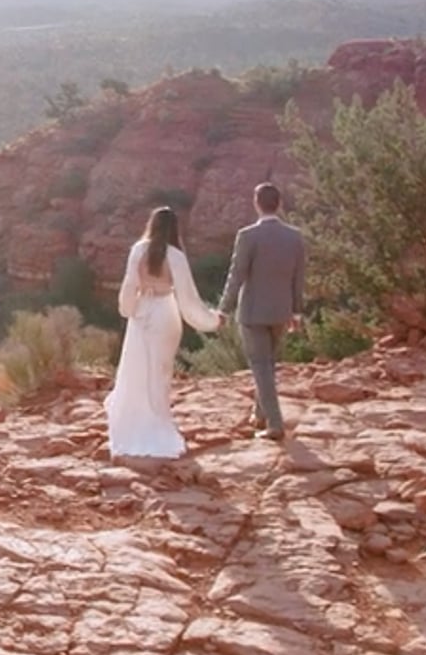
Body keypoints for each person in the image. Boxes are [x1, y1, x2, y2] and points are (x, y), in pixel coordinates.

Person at [107, 206, 222, 458]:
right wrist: (212, 320)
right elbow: (189, 297)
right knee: (161, 371)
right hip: (165, 314)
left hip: (142, 313)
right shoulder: (176, 256)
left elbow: (130, 285)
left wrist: (128, 310)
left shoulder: (138, 250)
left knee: (137, 368)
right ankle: (159, 420)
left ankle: (134, 423)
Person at [218, 182, 307, 442]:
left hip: (253, 313)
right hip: (281, 311)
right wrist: (297, 313)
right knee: (267, 365)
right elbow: (298, 278)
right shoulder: (294, 236)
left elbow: (237, 275)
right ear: (279, 204)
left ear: (256, 204)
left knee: (261, 366)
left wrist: (224, 308)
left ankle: (275, 424)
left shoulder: (247, 236)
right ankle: (259, 414)